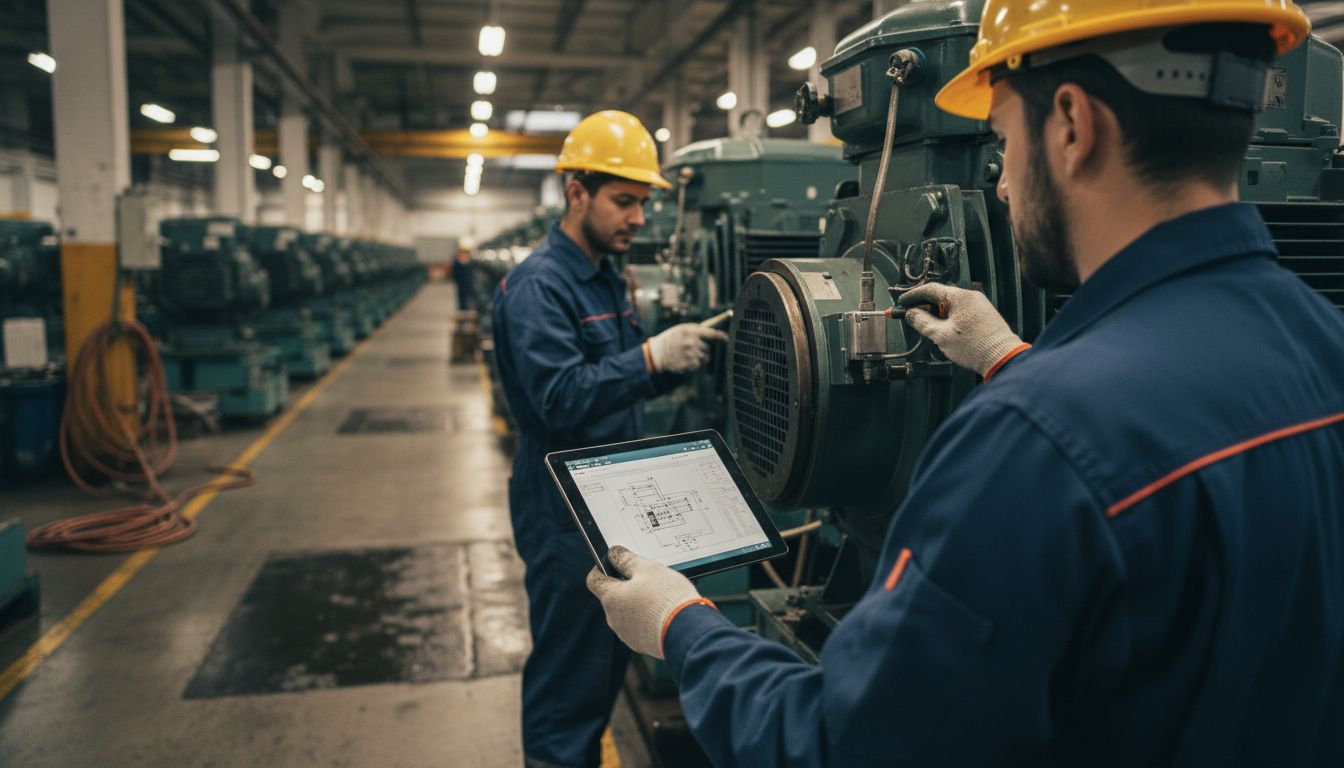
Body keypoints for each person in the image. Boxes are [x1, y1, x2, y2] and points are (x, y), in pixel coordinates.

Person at [587, 2, 1344, 765]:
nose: (1004, 185)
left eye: (1004, 141)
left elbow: (842, 746)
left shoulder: (1031, 443)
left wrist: (682, 625)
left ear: (1072, 125)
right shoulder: (1324, 343)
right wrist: (1008, 359)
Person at [492, 110, 728, 768]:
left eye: (643, 204)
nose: (638, 218)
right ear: (577, 193)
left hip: (610, 496)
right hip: (562, 506)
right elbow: (559, 397)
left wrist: (675, 357)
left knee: (601, 663)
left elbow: (611, 381)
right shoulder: (540, 286)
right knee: (570, 675)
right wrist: (649, 358)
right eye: (624, 201)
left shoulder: (602, 273)